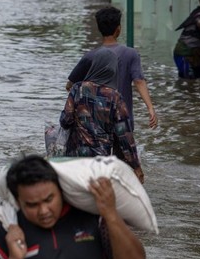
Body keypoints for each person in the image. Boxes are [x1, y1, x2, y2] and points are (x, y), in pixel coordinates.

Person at [0, 155, 146, 259]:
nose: (44, 211)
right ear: (18, 201)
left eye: (49, 199)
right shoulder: (6, 234)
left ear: (60, 191)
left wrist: (110, 214)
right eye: (32, 205)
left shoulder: (94, 219)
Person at [60, 48, 144, 183]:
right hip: (100, 163)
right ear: (113, 69)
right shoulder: (115, 97)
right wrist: (136, 166)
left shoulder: (78, 89)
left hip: (74, 159)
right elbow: (125, 137)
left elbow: (65, 121)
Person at [66, 7, 158, 131]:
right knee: (124, 149)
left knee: (100, 150)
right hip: (122, 118)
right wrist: (150, 108)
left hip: (96, 121)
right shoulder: (131, 54)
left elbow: (70, 86)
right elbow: (139, 81)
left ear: (99, 29)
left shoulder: (90, 56)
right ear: (118, 30)